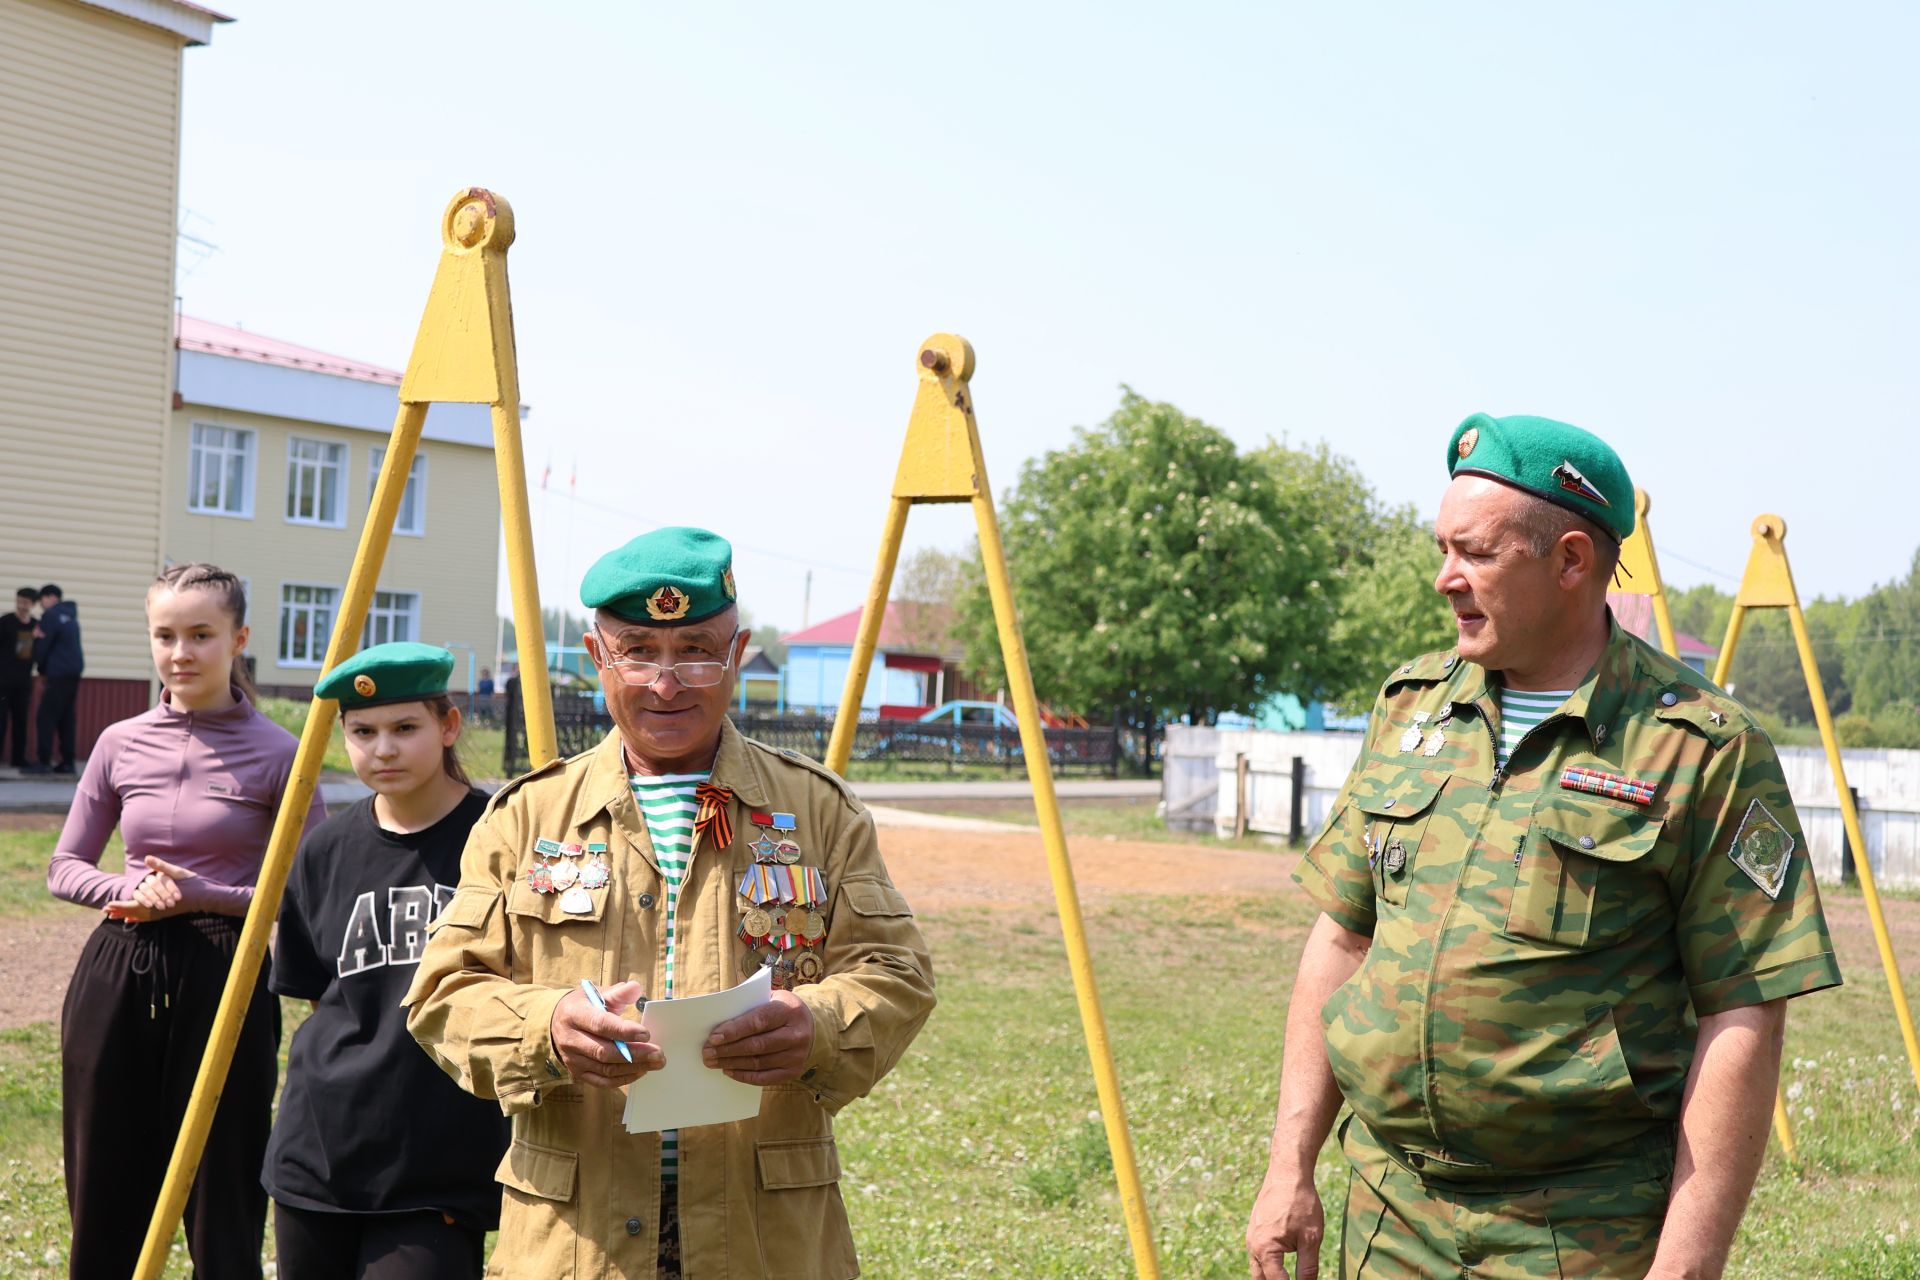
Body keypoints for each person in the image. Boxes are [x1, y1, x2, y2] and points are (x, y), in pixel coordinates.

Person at [1245, 414, 1842, 1280]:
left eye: (1477, 553)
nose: (1445, 578)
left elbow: (1743, 1012)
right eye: (1442, 547)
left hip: (1579, 1233)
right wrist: (1287, 1168)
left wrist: (1685, 1267)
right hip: (1390, 1218)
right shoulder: (1412, 707)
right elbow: (1344, 936)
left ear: (1569, 561)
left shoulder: (1697, 747)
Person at [406, 527, 935, 1280]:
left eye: (695, 649)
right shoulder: (526, 816)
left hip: (763, 1237)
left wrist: (814, 1025)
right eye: (638, 651)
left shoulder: (820, 811)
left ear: (739, 651)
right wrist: (548, 1028)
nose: (667, 682)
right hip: (576, 1239)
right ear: (597, 658)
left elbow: (896, 975)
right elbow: (443, 993)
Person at [47, 562, 324, 1279]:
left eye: (201, 634)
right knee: (102, 1174)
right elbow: (63, 866)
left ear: (239, 639)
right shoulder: (118, 742)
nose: (181, 653)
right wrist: (128, 886)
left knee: (222, 1183)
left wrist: (207, 894)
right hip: (118, 967)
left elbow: (305, 887)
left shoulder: (282, 754)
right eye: (165, 635)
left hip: (224, 973)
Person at [264, 642, 510, 1278]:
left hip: (440, 1168)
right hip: (319, 1156)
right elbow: (321, 998)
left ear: (448, 725)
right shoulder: (324, 850)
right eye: (362, 732)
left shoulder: (500, 841)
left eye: (406, 728)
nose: (384, 749)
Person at [27, 582, 83, 774]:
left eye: (41, 600)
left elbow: (43, 647)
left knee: (46, 717)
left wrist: (40, 669)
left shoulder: (50, 616)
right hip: (73, 674)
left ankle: (43, 761)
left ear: (50, 597)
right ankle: (68, 762)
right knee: (66, 718)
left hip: (57, 673)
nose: (41, 605)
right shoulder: (70, 616)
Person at [0, 587, 35, 768]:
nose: (22, 606)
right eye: (20, 601)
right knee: (1, 720)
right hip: (3, 680)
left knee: (21, 720)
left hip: (24, 681)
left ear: (32, 604)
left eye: (26, 603)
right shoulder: (5, 622)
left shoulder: (35, 626)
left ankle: (18, 758)